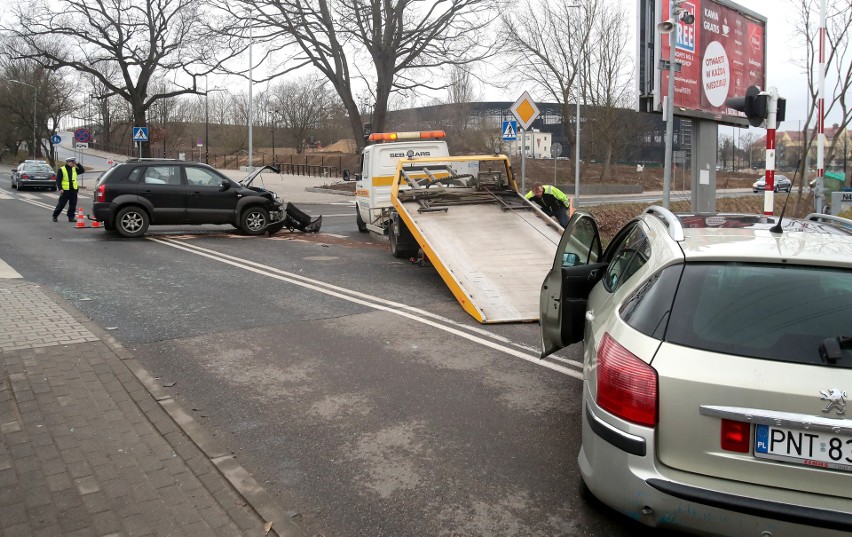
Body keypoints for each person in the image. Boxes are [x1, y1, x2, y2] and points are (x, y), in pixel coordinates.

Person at [52, 157, 85, 222]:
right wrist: (60, 188)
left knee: (73, 204)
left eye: (74, 163)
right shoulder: (61, 169)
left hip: (73, 190)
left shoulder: (74, 169)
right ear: (68, 162)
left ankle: (71, 217)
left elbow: (82, 170)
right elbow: (58, 180)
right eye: (72, 163)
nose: (73, 164)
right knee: (61, 204)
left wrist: (77, 163)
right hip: (65, 190)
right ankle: (55, 215)